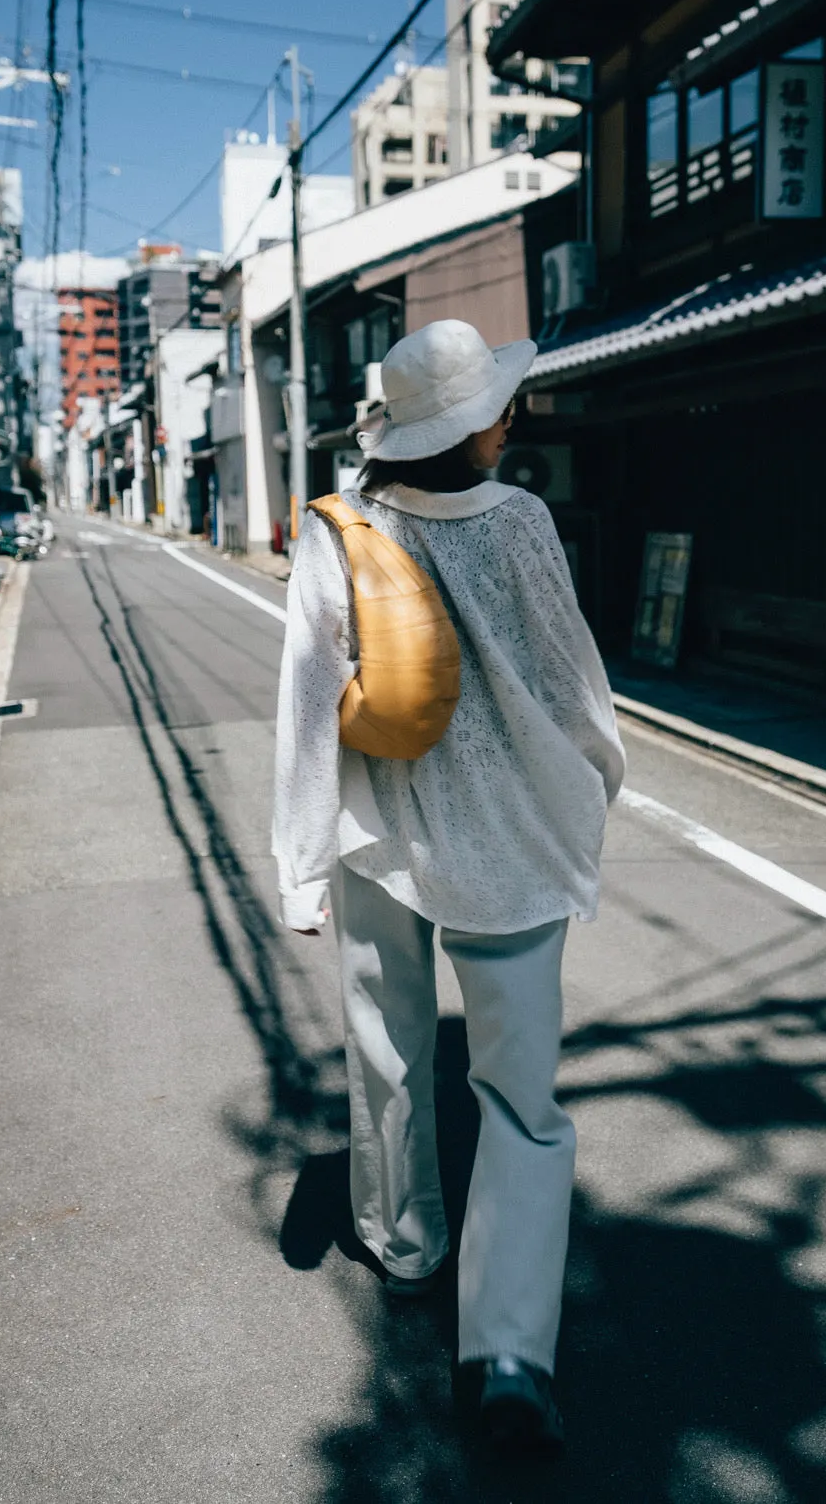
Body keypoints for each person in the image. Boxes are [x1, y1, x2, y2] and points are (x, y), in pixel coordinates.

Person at [273, 317, 624, 1452]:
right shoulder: (522, 522)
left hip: (382, 831)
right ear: (483, 423)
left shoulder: (344, 525)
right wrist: (595, 784)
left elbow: (304, 696)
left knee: (387, 1042)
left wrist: (300, 856)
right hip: (515, 842)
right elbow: (577, 693)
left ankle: (405, 1239)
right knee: (520, 1100)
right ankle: (510, 1355)